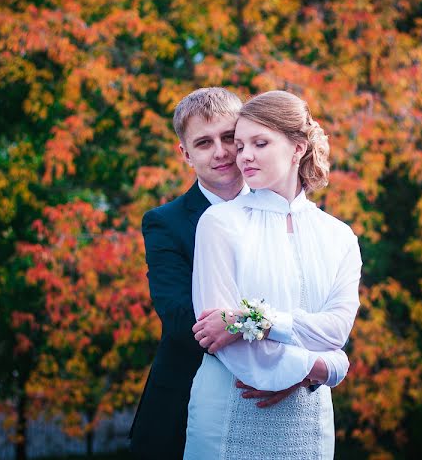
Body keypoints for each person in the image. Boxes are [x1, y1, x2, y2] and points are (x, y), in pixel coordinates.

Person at [184, 90, 363, 460]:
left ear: (298, 148)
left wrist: (260, 324)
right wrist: (321, 365)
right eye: (241, 144)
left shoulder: (340, 236)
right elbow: (220, 339)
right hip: (231, 407)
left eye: (259, 143)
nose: (243, 155)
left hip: (309, 417)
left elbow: (336, 332)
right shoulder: (218, 223)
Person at [130, 88, 306, 459]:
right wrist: (276, 357)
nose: (222, 152)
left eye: (230, 138)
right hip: (184, 400)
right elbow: (182, 320)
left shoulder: (287, 213)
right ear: (186, 155)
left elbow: (309, 303)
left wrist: (294, 371)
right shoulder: (165, 223)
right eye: (204, 143)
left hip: (277, 404)